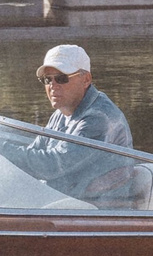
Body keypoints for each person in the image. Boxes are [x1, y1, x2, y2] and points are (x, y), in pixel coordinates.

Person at [17, 43, 140, 205]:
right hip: (66, 205)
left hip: (97, 216)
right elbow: (34, 152)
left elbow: (55, 165)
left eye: (61, 78)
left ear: (86, 79)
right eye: (47, 79)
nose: (53, 86)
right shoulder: (61, 113)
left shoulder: (99, 117)